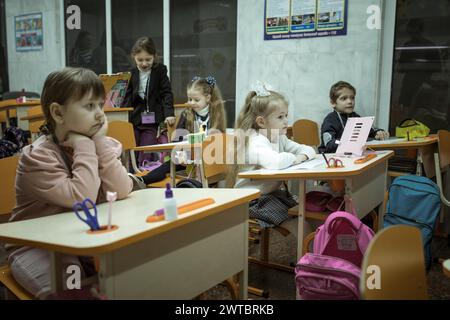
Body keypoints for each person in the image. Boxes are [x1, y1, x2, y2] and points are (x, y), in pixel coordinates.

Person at [6, 67, 133, 299]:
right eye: (89, 106)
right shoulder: (37, 156)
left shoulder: (101, 144)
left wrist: (99, 142)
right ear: (58, 113)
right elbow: (82, 199)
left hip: (82, 237)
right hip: (38, 245)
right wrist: (85, 145)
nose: (100, 115)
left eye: (99, 104)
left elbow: (121, 190)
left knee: (130, 276)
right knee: (70, 291)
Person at [230, 84, 316, 233]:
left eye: (286, 115)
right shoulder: (255, 141)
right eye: (280, 117)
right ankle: (311, 254)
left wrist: (299, 157)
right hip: (250, 200)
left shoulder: (279, 137)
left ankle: (315, 249)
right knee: (299, 224)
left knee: (306, 214)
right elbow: (275, 162)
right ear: (261, 122)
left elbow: (309, 149)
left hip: (271, 194)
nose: (286, 121)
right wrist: (295, 158)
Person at [129, 76, 226, 188]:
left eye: (196, 100)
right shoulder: (186, 114)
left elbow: (221, 141)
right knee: (168, 166)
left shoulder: (216, 114)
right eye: (190, 99)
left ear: (208, 98)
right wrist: (181, 152)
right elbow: (176, 139)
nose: (192, 103)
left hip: (209, 158)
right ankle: (141, 180)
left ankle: (204, 188)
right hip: (187, 157)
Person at [121, 37, 175, 166]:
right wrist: (122, 116)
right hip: (134, 119)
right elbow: (126, 96)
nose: (144, 63)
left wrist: (169, 113)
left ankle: (144, 175)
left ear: (154, 56)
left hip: (151, 121)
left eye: (148, 59)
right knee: (132, 149)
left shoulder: (160, 71)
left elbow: (166, 93)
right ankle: (133, 176)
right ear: (134, 57)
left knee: (146, 148)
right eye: (140, 60)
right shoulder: (130, 73)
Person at [319, 81, 389, 153]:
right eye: (344, 98)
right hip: (331, 159)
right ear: (333, 103)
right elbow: (329, 143)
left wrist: (378, 133)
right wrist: (347, 141)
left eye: (352, 98)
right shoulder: (330, 120)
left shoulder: (356, 117)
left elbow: (371, 130)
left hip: (351, 156)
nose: (350, 101)